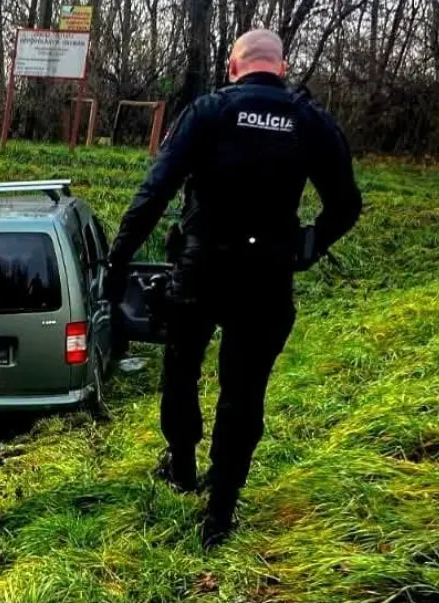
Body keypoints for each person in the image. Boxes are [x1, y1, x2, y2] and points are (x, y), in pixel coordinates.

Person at [105, 29, 362, 546]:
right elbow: (346, 203)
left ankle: (180, 463)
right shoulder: (309, 119)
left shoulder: (209, 112)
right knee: (244, 390)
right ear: (282, 68)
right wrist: (308, 244)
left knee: (180, 367)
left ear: (232, 66)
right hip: (267, 273)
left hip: (202, 267)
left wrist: (120, 257)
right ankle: (220, 509)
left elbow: (156, 189)